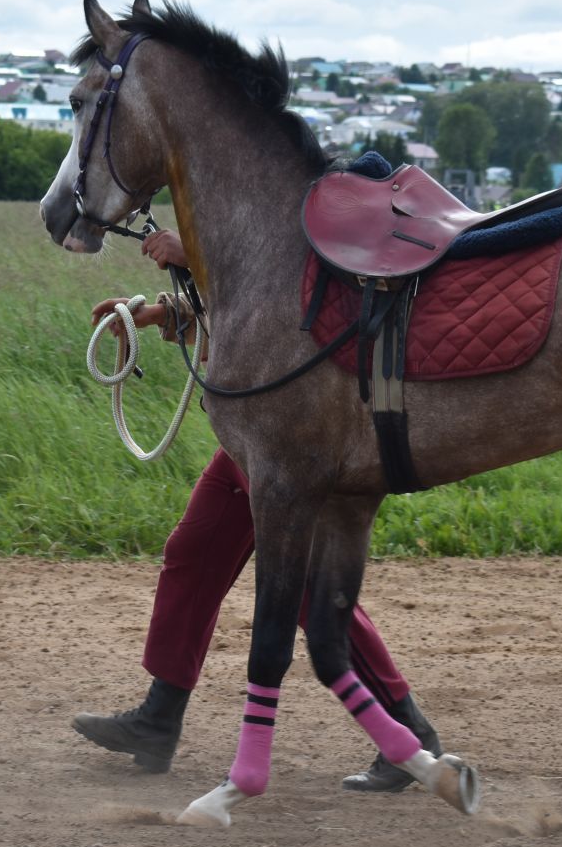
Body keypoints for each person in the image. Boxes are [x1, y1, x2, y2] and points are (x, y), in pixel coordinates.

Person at [72, 228, 444, 793]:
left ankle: (407, 727)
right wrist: (158, 311)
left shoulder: (281, 193)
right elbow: (236, 306)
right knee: (195, 554)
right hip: (257, 435)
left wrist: (195, 250)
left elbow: (281, 288)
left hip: (288, 432)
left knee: (305, 587)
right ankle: (159, 717)